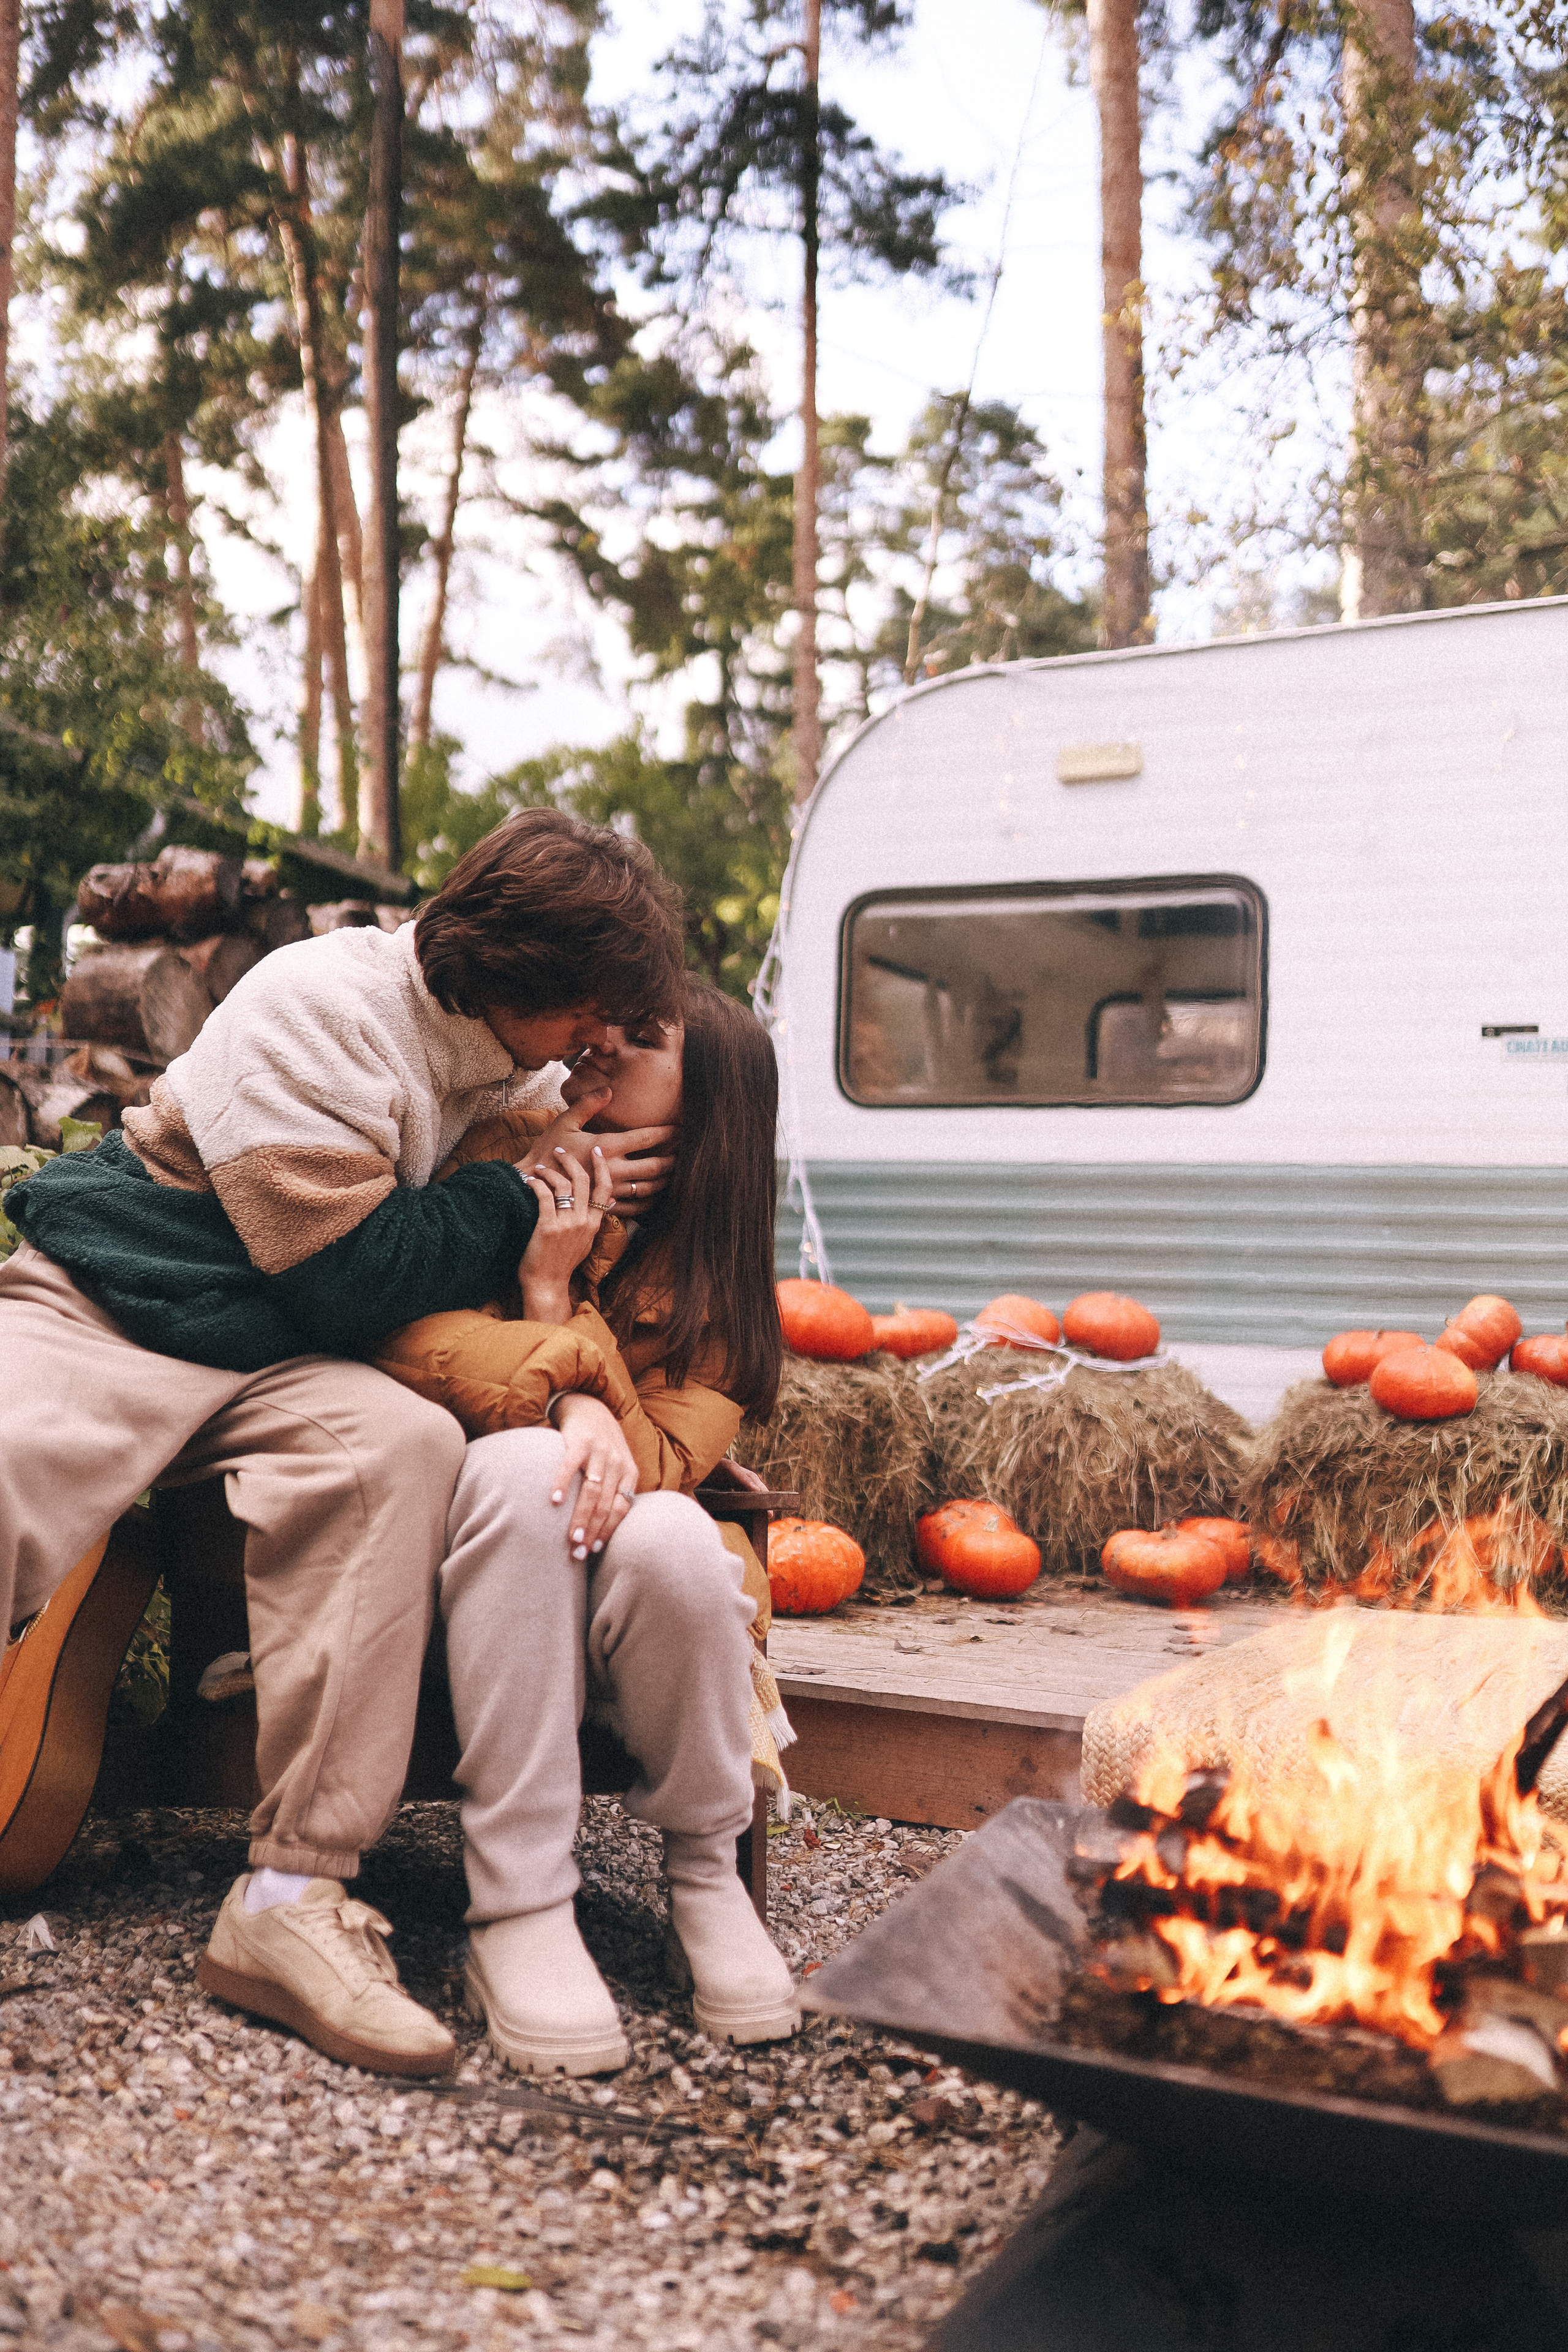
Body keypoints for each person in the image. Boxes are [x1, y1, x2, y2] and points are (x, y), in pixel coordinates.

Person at [0, 810, 684, 2078]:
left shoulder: (512, 1059)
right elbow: (350, 1275)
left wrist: (545, 1161)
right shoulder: (318, 1004)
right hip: (130, 1291)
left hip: (268, 1349)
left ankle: (287, 1902)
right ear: (515, 971)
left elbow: (409, 1270)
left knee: (395, 1454)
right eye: (586, 1011)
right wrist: (518, 1188)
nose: (595, 1044)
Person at [373, 983, 799, 2075]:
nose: (589, 1071)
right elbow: (403, 1332)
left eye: (630, 1052)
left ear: (709, 1109)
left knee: (674, 1537)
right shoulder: (510, 1153)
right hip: (463, 1558)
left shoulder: (724, 1288)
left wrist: (561, 1301)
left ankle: (705, 1878)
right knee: (529, 1469)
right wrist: (552, 1336)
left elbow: (657, 1466)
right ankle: (518, 1904)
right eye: (588, 1052)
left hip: (623, 1588)